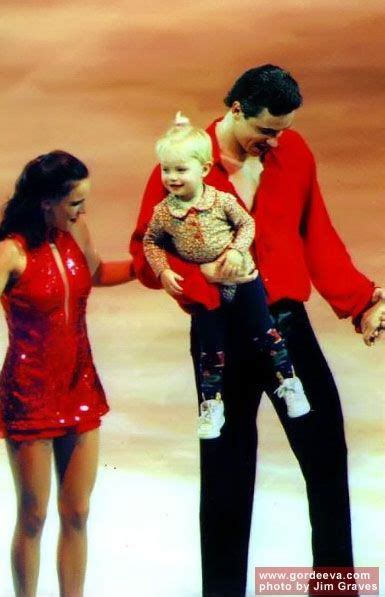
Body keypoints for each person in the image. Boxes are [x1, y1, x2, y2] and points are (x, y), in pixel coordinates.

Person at [130, 65, 385, 596]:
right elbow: (143, 251)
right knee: (225, 471)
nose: (275, 142)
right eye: (266, 131)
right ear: (237, 109)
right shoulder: (181, 164)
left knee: (326, 459)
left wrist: (361, 301)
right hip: (220, 331)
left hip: (286, 325)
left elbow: (318, 233)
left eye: (284, 131)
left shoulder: (292, 153)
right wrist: (199, 277)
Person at [0, 150, 134, 597]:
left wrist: (150, 266)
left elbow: (97, 272)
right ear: (46, 202)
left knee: (77, 511)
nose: (83, 211)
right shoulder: (10, 252)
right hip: (30, 393)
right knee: (34, 515)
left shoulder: (75, 232)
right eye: (75, 203)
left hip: (79, 386)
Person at [143, 112, 310, 440]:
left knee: (266, 332)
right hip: (207, 291)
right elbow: (150, 242)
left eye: (180, 169)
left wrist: (235, 251)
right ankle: (211, 404)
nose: (172, 177)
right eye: (166, 169)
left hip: (244, 280)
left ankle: (289, 382)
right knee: (212, 348)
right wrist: (164, 270)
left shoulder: (221, 200)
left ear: (204, 169)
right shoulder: (164, 211)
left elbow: (248, 224)